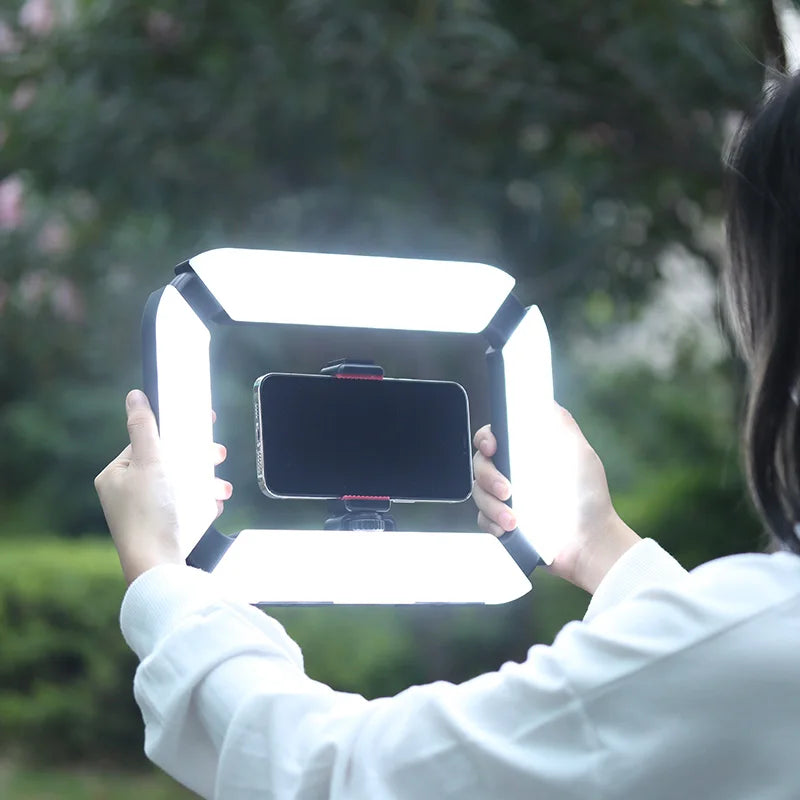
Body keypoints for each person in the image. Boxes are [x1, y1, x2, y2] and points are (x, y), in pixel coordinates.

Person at [95, 74, 800, 800]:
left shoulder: (760, 637)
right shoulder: (755, 646)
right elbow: (713, 686)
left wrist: (160, 575)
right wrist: (600, 545)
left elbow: (343, 776)